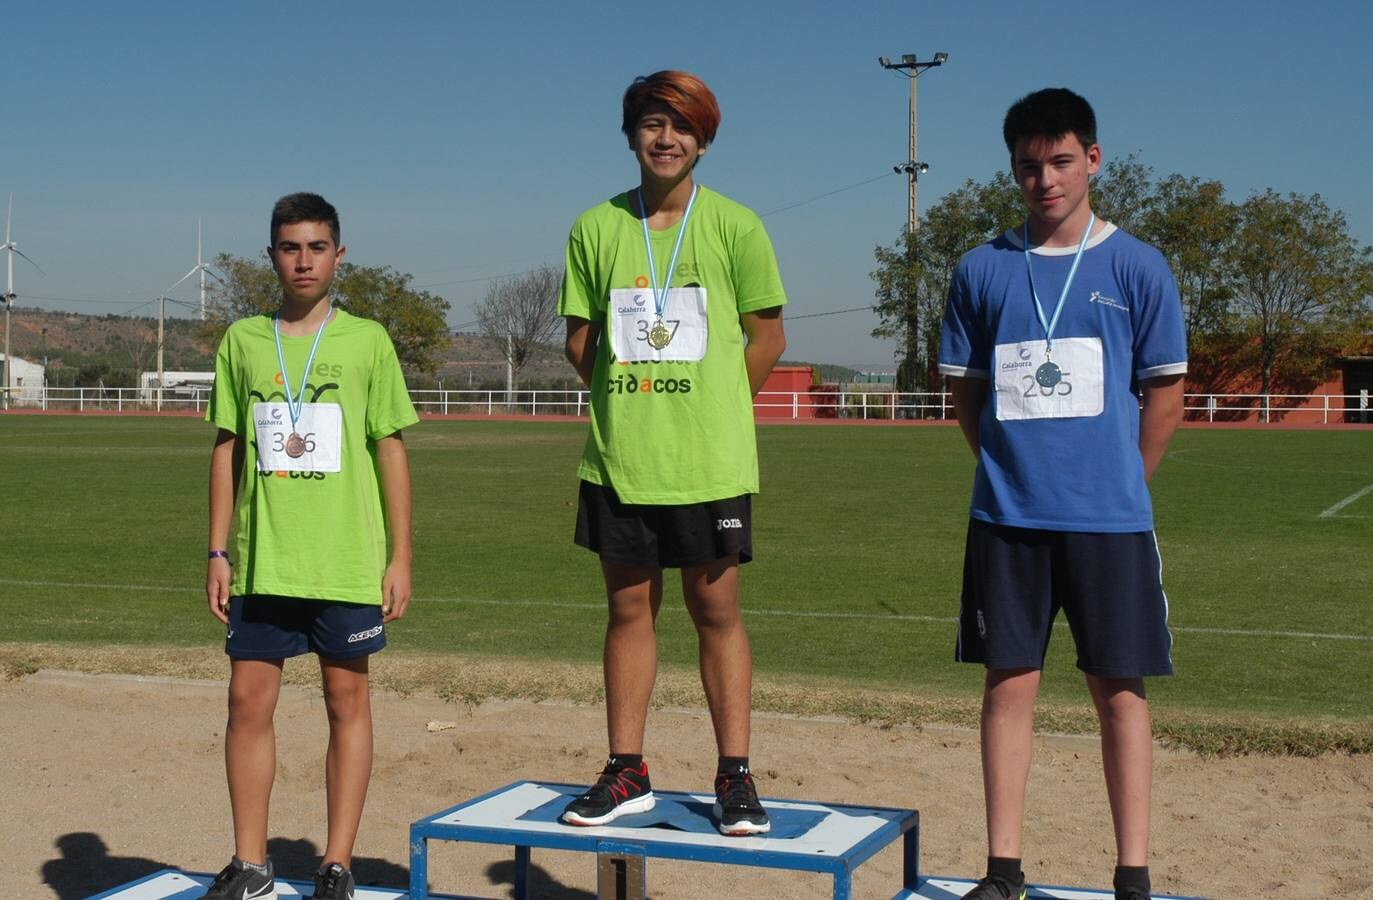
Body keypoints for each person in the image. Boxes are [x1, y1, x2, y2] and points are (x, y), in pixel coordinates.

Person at [937, 89, 1187, 900]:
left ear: (1093, 160)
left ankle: (1132, 875)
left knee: (1119, 690)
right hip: (1005, 519)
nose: (1044, 179)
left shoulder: (1137, 265)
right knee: (1007, 688)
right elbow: (967, 396)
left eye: (1060, 161)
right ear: (1012, 168)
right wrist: (1009, 469)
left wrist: (1119, 479)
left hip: (1108, 522)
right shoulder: (980, 269)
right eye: (1027, 165)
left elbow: (1164, 396)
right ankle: (1002, 870)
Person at [557, 70, 787, 836]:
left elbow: (767, 337)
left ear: (704, 138)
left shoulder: (736, 226)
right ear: (630, 134)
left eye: (682, 126)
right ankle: (627, 770)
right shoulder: (595, 228)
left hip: (708, 463)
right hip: (621, 459)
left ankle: (735, 775)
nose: (666, 138)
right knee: (627, 609)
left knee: (715, 610)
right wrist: (636, 396)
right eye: (652, 123)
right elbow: (581, 338)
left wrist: (713, 405)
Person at [202, 192, 419, 900]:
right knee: (245, 701)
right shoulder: (242, 341)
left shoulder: (367, 341)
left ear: (338, 255)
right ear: (271, 255)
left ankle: (336, 863)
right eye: (290, 247)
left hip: (346, 561)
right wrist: (217, 550)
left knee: (345, 701)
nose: (303, 260)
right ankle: (251, 862)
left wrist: (399, 556)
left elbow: (390, 449)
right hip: (266, 561)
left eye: (316, 247)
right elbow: (227, 447)